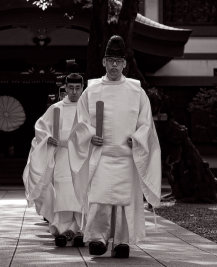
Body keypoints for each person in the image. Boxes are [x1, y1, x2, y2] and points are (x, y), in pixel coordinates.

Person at [68, 35, 161, 258]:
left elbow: (145, 122)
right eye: (110, 60)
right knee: (99, 198)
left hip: (127, 155)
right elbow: (80, 122)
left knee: (123, 202)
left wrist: (137, 139)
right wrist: (90, 135)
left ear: (125, 64)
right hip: (101, 155)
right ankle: (98, 238)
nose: (114, 65)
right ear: (104, 62)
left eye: (118, 61)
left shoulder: (136, 91)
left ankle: (121, 241)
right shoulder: (91, 90)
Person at [23, 73, 85, 247]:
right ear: (65, 88)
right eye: (70, 88)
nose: (74, 91)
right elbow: (41, 127)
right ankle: (61, 229)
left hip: (81, 157)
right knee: (62, 194)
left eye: (77, 88)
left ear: (82, 88)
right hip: (61, 156)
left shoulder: (87, 109)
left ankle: (80, 230)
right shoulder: (56, 108)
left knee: (80, 193)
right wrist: (47, 138)